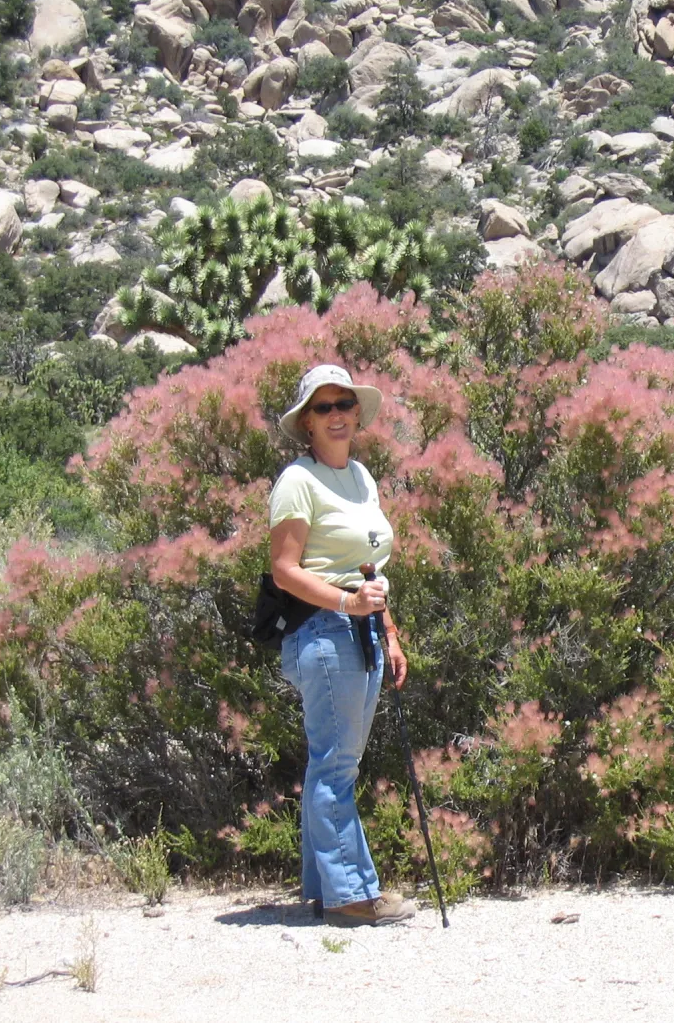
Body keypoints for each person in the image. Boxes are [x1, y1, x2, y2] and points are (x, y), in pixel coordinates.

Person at [269, 364, 415, 927]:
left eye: (343, 405)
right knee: (336, 766)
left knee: (331, 763)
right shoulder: (298, 482)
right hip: (326, 633)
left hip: (363, 631)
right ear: (306, 421)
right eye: (323, 407)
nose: (336, 416)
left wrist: (389, 630)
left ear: (357, 414)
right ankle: (352, 897)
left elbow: (368, 570)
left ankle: (324, 888)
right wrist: (346, 604)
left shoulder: (361, 477)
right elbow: (284, 571)